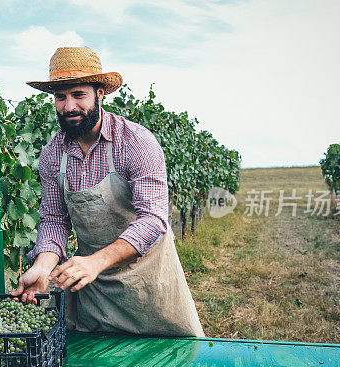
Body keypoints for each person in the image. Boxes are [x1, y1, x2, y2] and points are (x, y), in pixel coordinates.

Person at [11, 46, 205, 336]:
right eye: (61, 97)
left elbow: (154, 219)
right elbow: (54, 220)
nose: (68, 107)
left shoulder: (136, 143)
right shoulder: (53, 154)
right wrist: (42, 265)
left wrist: (95, 262)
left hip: (149, 284)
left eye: (78, 95)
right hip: (93, 291)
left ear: (100, 93)